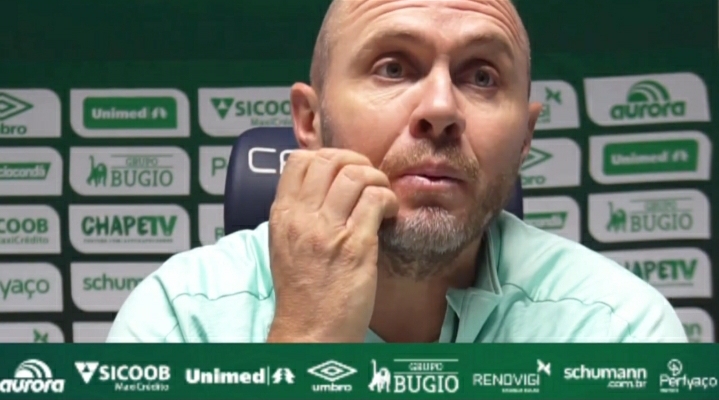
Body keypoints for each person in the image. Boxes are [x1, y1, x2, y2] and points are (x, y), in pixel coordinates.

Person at [107, 0, 687, 343]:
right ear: (310, 121)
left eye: (481, 76)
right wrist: (307, 342)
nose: (440, 108)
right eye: (392, 68)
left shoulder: (615, 329)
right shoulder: (181, 318)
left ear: (525, 139)